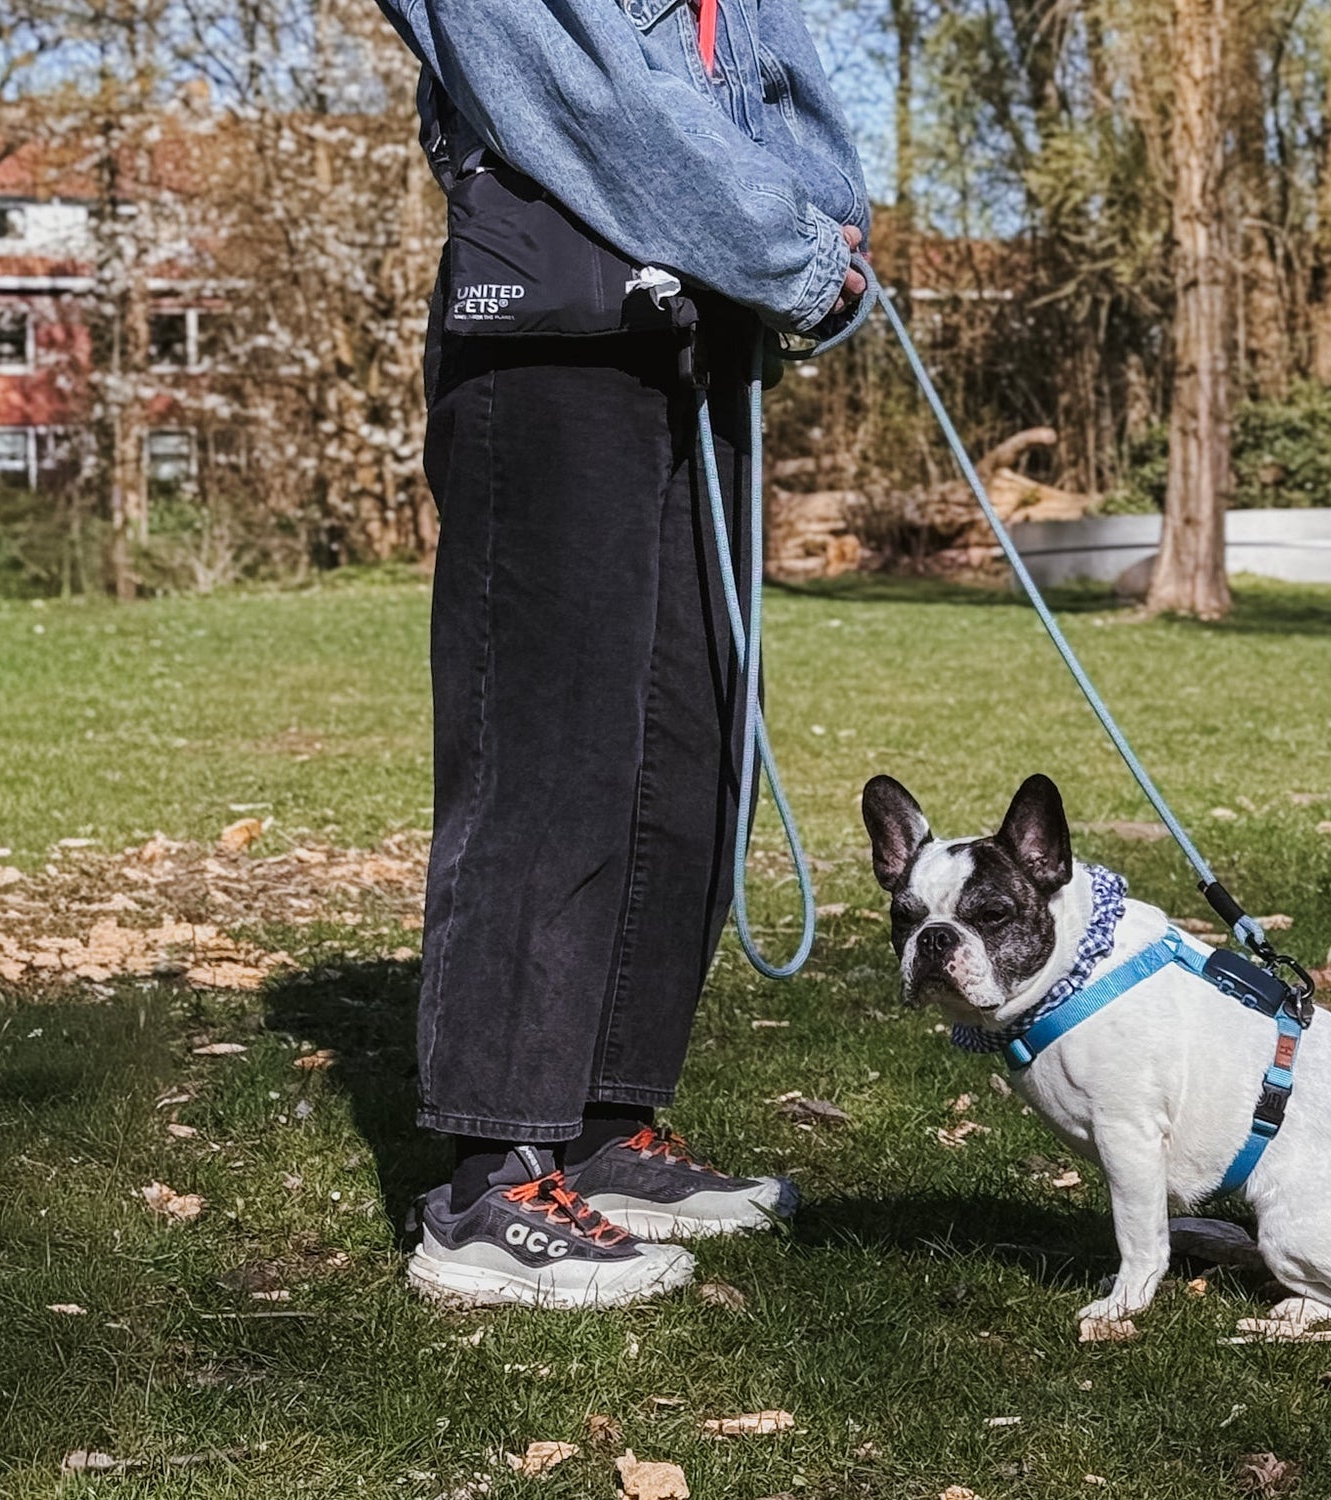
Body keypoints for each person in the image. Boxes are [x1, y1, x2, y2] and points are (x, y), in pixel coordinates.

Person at [373, 0, 868, 1307]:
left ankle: (599, 1131)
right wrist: (790, 249)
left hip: (709, 309)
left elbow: (774, 74)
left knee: (682, 736)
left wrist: (825, 238)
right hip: (556, 312)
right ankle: (490, 1177)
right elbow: (568, 79)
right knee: (550, 735)